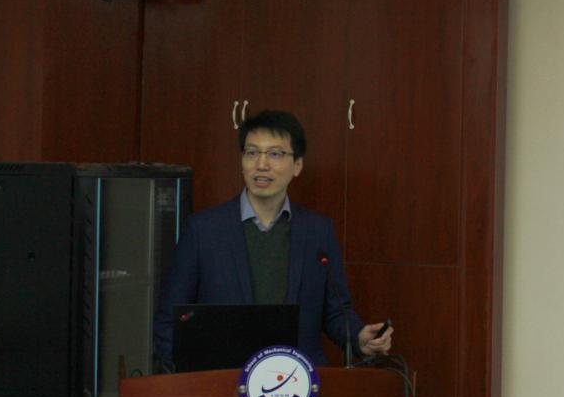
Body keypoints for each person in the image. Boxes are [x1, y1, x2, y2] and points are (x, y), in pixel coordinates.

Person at [153, 109, 392, 369]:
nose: (261, 164)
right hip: (224, 381)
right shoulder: (203, 230)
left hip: (297, 380)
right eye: (252, 152)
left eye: (275, 154)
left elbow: (335, 310)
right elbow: (169, 321)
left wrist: (358, 337)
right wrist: (191, 379)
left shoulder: (318, 231)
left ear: (297, 165)